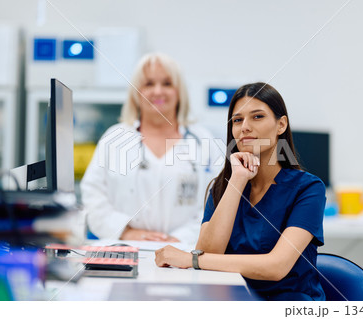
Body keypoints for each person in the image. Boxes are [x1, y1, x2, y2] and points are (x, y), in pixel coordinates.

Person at [155, 82, 327, 301]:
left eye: (257, 117)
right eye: (237, 120)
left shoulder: (308, 188)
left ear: (281, 124)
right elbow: (209, 251)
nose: (245, 126)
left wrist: (192, 259)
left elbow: (276, 267)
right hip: (233, 300)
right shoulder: (223, 185)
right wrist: (236, 180)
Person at [80, 53, 220, 244]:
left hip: (185, 252)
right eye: (149, 84)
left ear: (179, 92)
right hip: (124, 249)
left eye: (167, 84)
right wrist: (125, 232)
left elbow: (218, 202)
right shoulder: (115, 139)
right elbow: (92, 196)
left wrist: (180, 239)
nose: (158, 91)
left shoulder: (203, 140)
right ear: (136, 93)